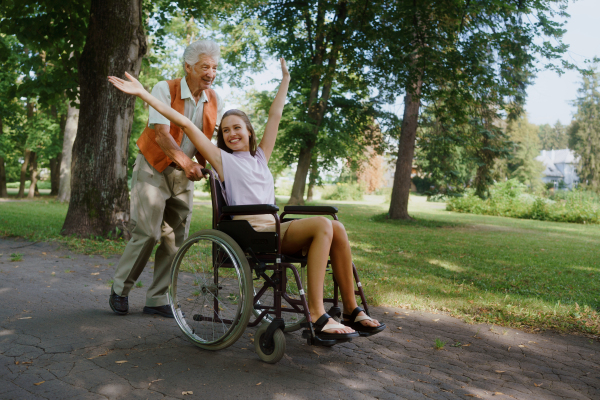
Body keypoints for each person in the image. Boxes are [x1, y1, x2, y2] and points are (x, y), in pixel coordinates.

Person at [108, 59, 385, 338]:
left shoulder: (261, 156)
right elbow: (181, 121)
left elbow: (276, 114)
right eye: (225, 130)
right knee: (324, 225)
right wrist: (144, 94)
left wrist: (285, 79)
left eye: (237, 128)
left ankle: (351, 309)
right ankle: (316, 314)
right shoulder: (221, 160)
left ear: (249, 131)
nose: (231, 134)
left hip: (274, 226)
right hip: (253, 233)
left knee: (336, 226)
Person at [109, 40, 224, 318]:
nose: (211, 73)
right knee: (147, 232)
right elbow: (161, 134)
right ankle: (120, 289)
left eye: (215, 68)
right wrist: (186, 163)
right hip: (154, 168)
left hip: (184, 177)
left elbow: (212, 138)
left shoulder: (214, 99)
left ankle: (157, 298)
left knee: (174, 239)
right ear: (188, 66)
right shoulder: (165, 88)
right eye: (205, 67)